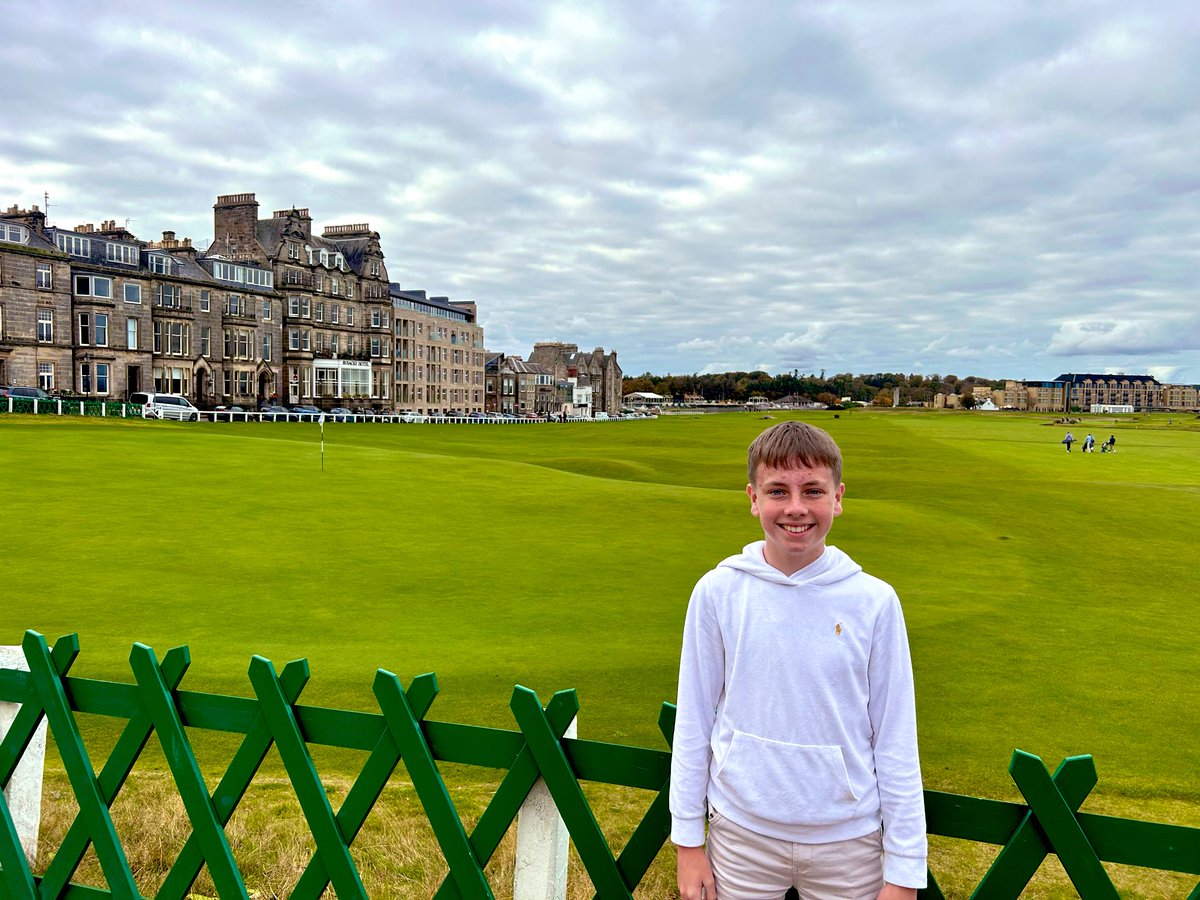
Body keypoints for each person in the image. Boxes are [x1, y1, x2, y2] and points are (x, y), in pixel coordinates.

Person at [671, 421, 927, 900]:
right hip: (740, 835)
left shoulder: (873, 600)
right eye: (777, 491)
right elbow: (694, 720)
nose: (795, 508)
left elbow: (895, 738)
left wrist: (905, 872)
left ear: (837, 498)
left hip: (849, 842)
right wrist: (687, 840)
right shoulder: (718, 591)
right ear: (752, 498)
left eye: (812, 491)